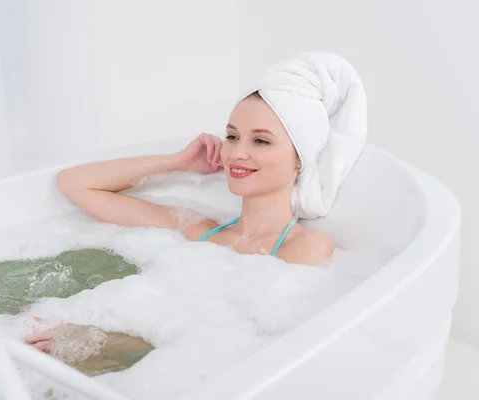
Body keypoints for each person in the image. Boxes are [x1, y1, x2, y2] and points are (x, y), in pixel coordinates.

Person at [24, 52, 368, 370]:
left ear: (300, 159)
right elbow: (74, 184)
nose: (237, 153)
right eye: (232, 137)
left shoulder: (307, 247)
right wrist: (178, 163)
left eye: (260, 141)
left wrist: (105, 343)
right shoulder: (197, 228)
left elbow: (239, 353)